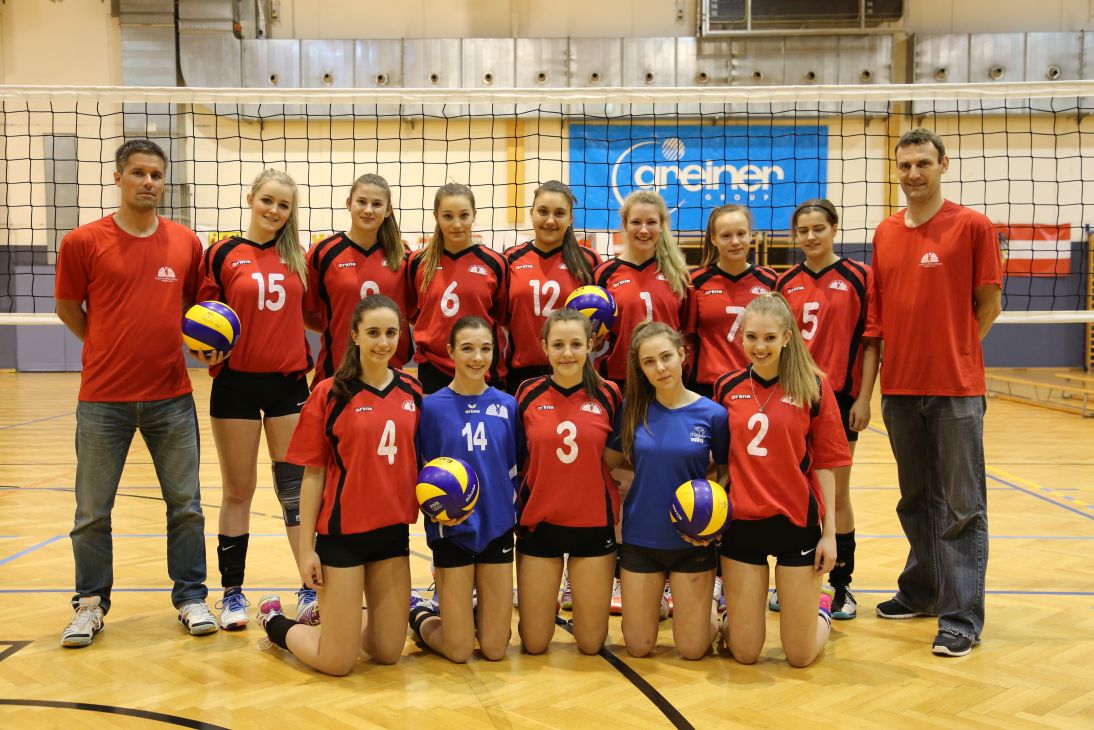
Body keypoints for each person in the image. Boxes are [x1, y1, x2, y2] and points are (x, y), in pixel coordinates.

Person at [54, 139, 217, 647]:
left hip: (171, 396)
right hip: (103, 399)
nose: (149, 182)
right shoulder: (83, 241)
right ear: (119, 177)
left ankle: (191, 597)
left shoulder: (185, 243)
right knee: (92, 512)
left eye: (156, 175)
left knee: (186, 505)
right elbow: (67, 307)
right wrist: (103, 343)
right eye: (139, 173)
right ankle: (89, 605)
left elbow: (194, 309)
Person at [871, 128, 1002, 657]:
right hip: (900, 388)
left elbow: (988, 305)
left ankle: (961, 618)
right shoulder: (884, 232)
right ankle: (922, 590)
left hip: (955, 391)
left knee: (962, 506)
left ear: (943, 165)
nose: (913, 174)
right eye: (905, 165)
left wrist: (956, 352)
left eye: (923, 163)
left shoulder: (973, 226)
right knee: (916, 500)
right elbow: (882, 313)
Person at [256, 295, 421, 675]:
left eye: (391, 332)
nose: (383, 342)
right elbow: (312, 476)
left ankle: (342, 627)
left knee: (387, 653)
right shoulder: (330, 392)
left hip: (392, 536)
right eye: (373, 332)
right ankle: (275, 622)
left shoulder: (412, 391)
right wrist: (306, 550)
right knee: (337, 663)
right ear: (355, 335)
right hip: (342, 538)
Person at [196, 169, 316, 630]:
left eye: (284, 205)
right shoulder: (222, 253)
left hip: (288, 385)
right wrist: (205, 348)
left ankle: (308, 589)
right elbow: (202, 316)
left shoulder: (299, 256)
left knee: (294, 494)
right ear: (251, 199)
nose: (274, 210)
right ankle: (232, 592)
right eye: (268, 200)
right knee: (238, 490)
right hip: (236, 385)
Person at [713, 293, 850, 667]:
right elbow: (720, 462)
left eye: (770, 338)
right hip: (742, 523)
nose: (759, 347)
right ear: (741, 336)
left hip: (796, 523)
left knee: (800, 655)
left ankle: (819, 610)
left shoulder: (813, 386)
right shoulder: (726, 387)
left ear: (788, 337)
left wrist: (829, 535)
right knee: (745, 652)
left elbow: (827, 463)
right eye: (751, 337)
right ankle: (726, 613)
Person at [773, 198, 880, 620]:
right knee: (794, 491)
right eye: (803, 230)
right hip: (794, 399)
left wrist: (865, 399)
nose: (811, 236)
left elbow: (871, 343)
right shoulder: (785, 282)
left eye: (819, 228)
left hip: (840, 400)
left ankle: (841, 585)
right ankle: (795, 580)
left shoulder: (859, 276)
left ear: (834, 229)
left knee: (837, 495)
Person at [604, 321, 727, 660]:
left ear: (682, 355)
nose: (660, 368)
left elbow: (726, 473)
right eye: (649, 362)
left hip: (692, 542)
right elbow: (606, 464)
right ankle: (661, 605)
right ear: (640, 368)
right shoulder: (631, 411)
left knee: (693, 649)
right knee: (638, 646)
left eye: (666, 357)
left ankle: (713, 614)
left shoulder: (713, 415)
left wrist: (712, 520)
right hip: (641, 539)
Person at [410, 316, 520, 662]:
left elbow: (519, 468)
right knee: (458, 651)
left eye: (485, 349)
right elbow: (418, 472)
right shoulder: (430, 408)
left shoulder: (508, 406)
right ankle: (419, 613)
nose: (477, 358)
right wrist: (434, 511)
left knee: (495, 649)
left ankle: (473, 614)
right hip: (451, 531)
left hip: (497, 528)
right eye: (468, 349)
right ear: (451, 352)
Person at [514, 308, 622, 654]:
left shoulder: (609, 394)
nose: (567, 353)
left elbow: (615, 460)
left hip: (593, 527)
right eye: (558, 344)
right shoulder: (526, 393)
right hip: (539, 525)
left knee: (591, 644)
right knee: (534, 643)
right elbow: (517, 457)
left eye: (576, 344)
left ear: (590, 345)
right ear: (544, 347)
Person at [305, 173, 411, 385]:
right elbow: (307, 313)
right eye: (361, 201)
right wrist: (340, 329)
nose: (368, 210)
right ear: (349, 203)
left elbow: (413, 312)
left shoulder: (404, 256)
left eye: (377, 204)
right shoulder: (323, 253)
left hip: (390, 373)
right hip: (337, 371)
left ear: (388, 210)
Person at [407, 184, 508, 394]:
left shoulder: (494, 263)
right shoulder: (418, 262)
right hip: (433, 368)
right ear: (436, 216)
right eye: (448, 216)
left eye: (464, 215)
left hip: (481, 366)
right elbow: (415, 312)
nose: (457, 224)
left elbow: (500, 316)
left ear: (474, 215)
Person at [504, 180, 602, 394]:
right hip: (522, 373)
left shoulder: (589, 260)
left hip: (575, 370)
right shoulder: (511, 259)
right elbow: (501, 317)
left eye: (559, 213)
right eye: (543, 211)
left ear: (570, 218)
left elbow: (603, 316)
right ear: (531, 213)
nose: (550, 220)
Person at [593, 190, 690, 391]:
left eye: (651, 222)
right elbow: (593, 331)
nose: (644, 230)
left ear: (661, 226)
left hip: (668, 377)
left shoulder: (678, 274)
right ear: (625, 225)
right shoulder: (604, 274)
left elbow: (687, 332)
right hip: (621, 378)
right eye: (636, 222)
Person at [687, 205, 776, 400]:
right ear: (714, 239)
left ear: (750, 235)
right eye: (726, 235)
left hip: (755, 385)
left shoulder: (770, 281)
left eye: (741, 234)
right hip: (707, 389)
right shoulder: (695, 281)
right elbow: (686, 335)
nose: (735, 241)